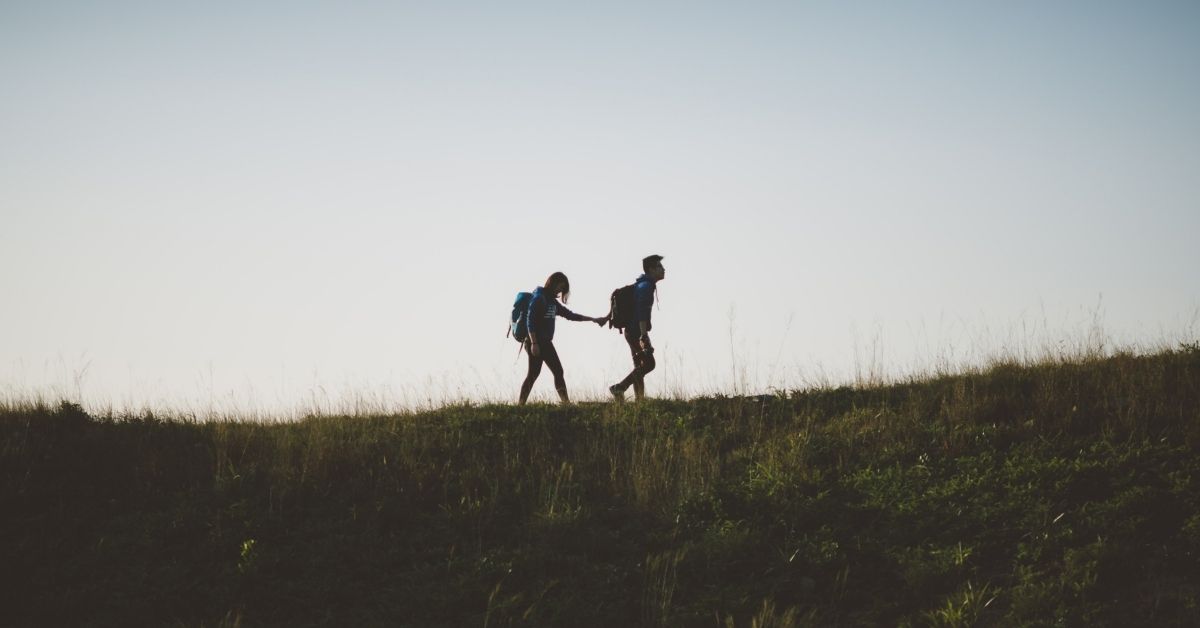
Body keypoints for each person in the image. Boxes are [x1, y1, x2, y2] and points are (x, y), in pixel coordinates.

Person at [520, 271, 606, 405]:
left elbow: (570, 315)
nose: (560, 290)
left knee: (553, 372)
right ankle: (522, 405)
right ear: (552, 283)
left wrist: (593, 319)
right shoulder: (539, 297)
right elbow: (529, 321)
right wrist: (534, 343)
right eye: (560, 286)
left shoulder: (551, 301)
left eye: (563, 288)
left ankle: (565, 404)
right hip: (536, 342)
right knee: (539, 374)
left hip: (545, 343)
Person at [609, 254, 665, 401]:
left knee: (639, 365)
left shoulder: (643, 284)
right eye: (659, 266)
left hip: (632, 331)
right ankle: (619, 388)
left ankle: (639, 401)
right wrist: (643, 336)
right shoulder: (646, 286)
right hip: (636, 332)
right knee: (649, 364)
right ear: (651, 270)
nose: (663, 269)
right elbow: (641, 312)